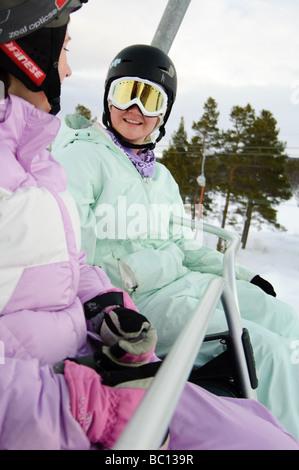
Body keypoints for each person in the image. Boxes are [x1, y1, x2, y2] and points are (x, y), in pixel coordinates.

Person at [1, 4, 298, 450]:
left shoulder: (162, 178)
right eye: (126, 94)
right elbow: (70, 256)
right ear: (107, 98)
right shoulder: (85, 158)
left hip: (185, 282)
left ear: (165, 113)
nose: (136, 109)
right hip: (145, 302)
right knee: (267, 351)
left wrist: (237, 275)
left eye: (151, 99)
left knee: (283, 318)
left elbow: (185, 246)